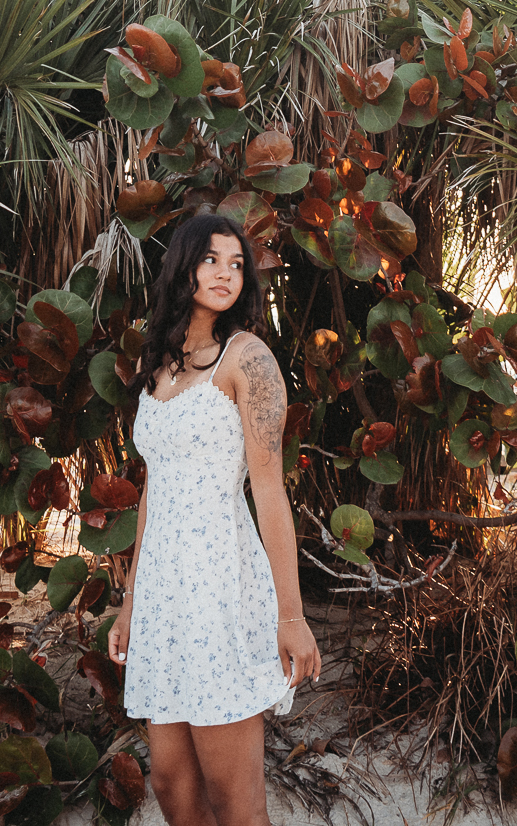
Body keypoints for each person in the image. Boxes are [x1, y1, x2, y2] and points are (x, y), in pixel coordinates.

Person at [107, 213, 322, 826]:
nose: (226, 274)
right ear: (183, 267)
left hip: (219, 591)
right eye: (211, 260)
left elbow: (271, 494)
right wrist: (130, 604)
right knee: (173, 786)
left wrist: (292, 615)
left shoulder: (246, 360)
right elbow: (154, 490)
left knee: (235, 801)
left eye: (236, 263)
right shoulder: (159, 364)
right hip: (161, 598)